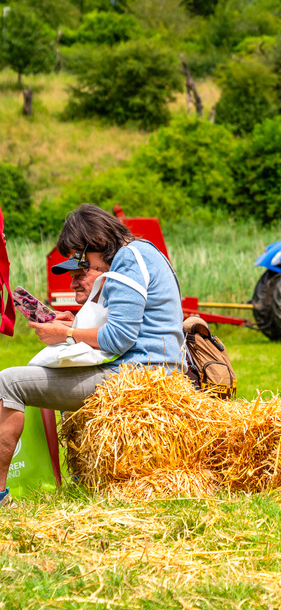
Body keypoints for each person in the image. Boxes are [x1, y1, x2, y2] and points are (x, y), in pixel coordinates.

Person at [0, 204, 185, 505]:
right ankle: (82, 478)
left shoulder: (129, 258)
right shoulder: (143, 253)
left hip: (140, 375)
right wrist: (75, 325)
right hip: (153, 370)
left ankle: (0, 495)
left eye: (79, 256)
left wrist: (65, 334)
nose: (80, 265)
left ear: (95, 242)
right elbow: (127, 326)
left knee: (9, 382)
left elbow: (117, 338)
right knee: (58, 375)